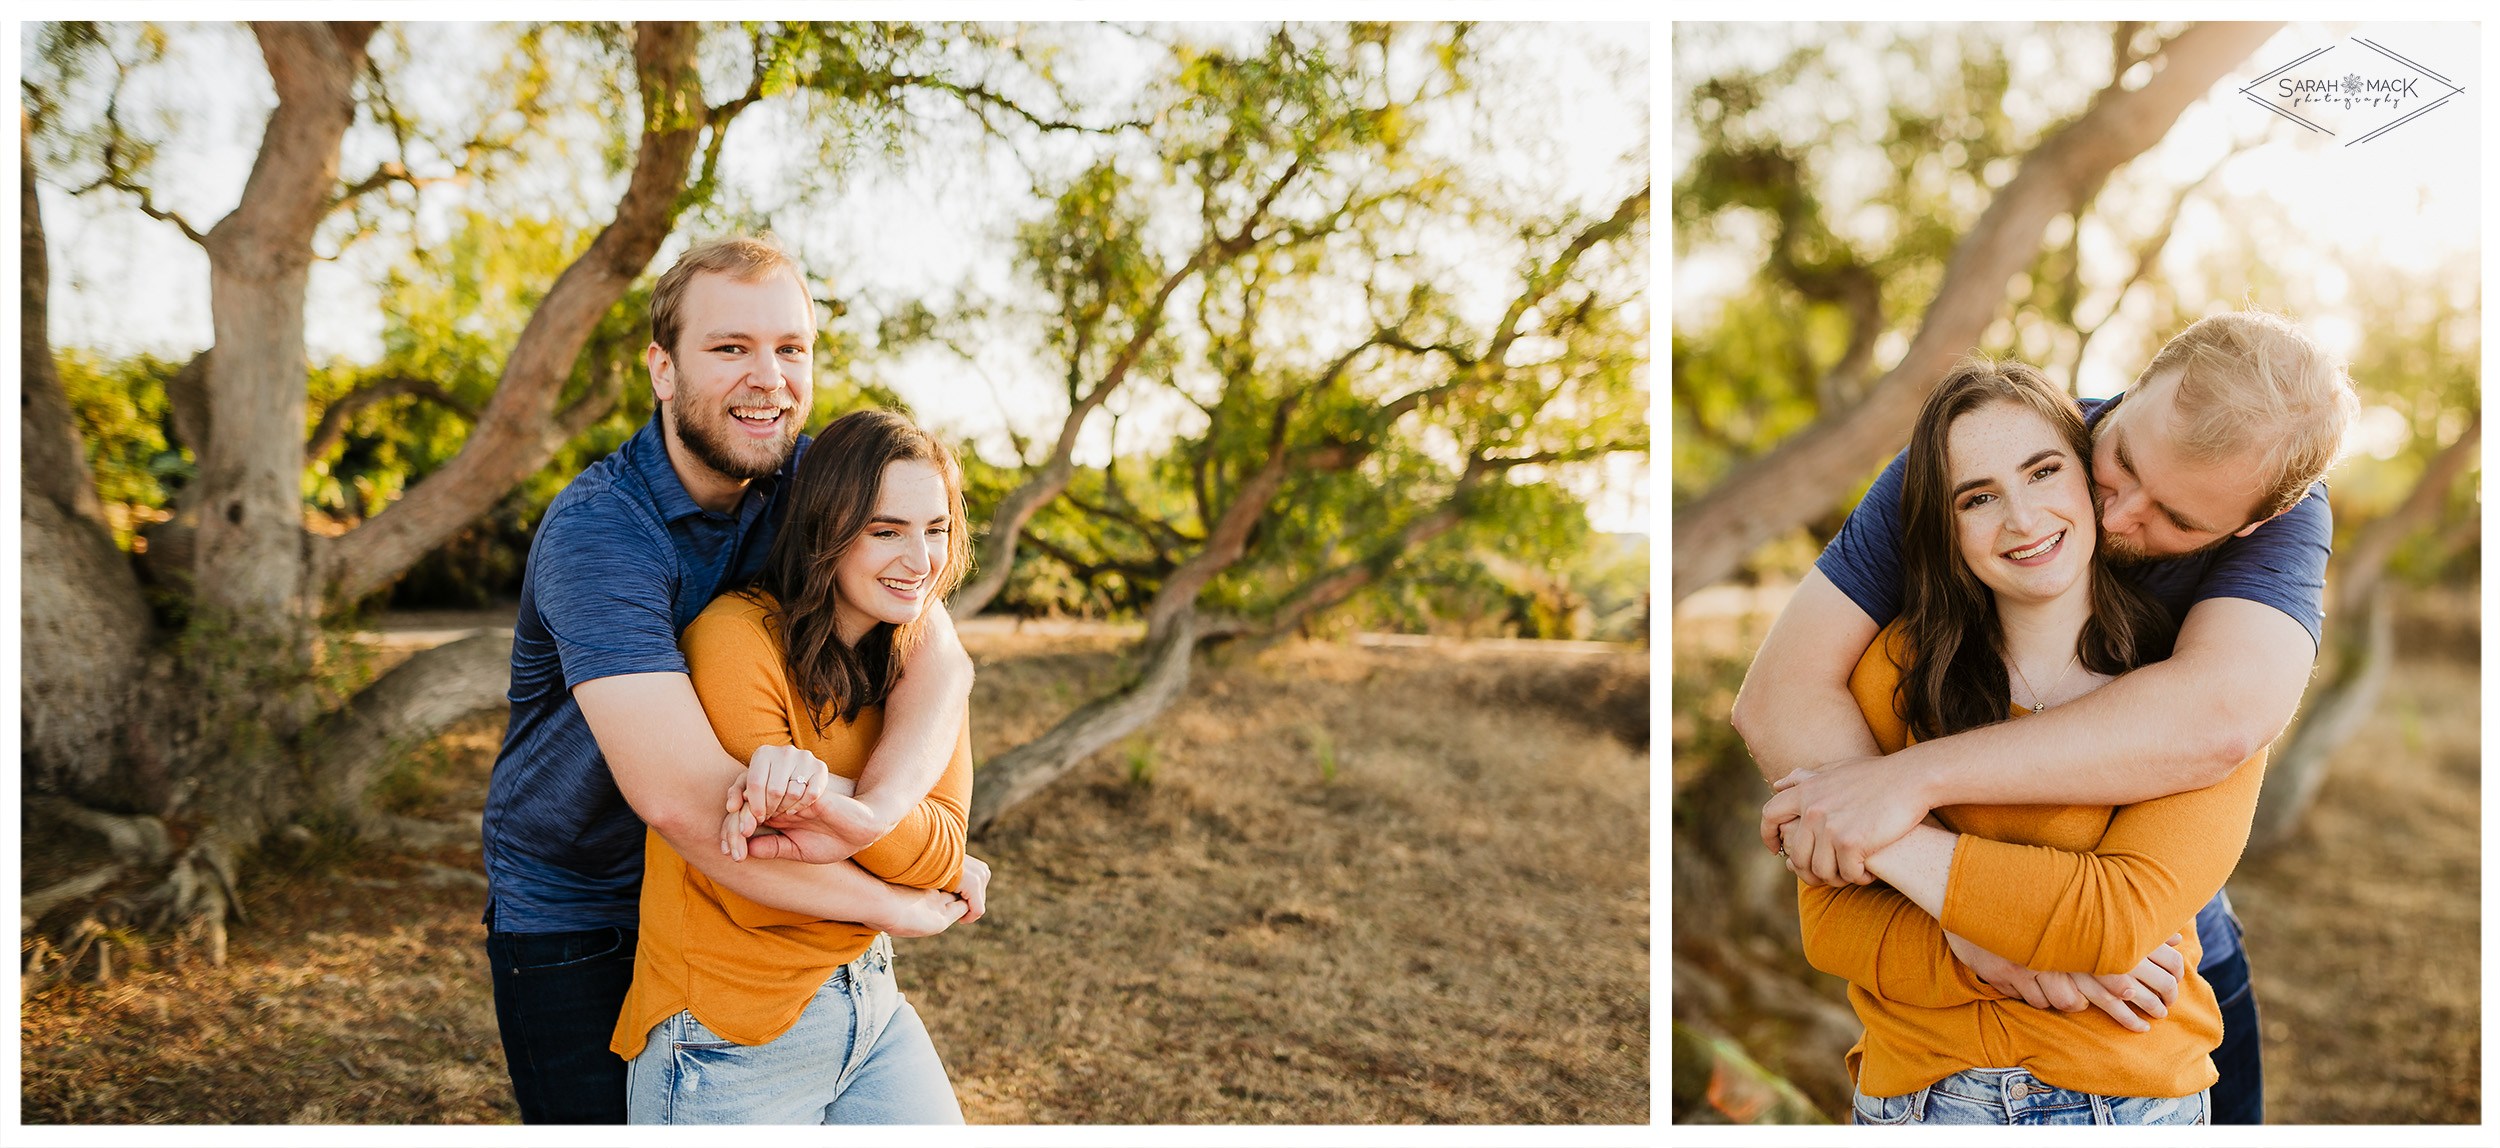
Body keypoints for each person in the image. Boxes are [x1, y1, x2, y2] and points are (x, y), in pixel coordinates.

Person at [1736, 310, 2356, 1124]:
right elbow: (1778, 696)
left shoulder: (2286, 513)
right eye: (2122, 461)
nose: (2122, 511)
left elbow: (2223, 724)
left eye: (2179, 521)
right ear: (2125, 394)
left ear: (2252, 524)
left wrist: (1904, 788)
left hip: (2155, 965)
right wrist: (1971, 931)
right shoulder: (1997, 452)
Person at [481, 235, 978, 1124]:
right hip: (582, 906)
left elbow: (937, 648)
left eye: (791, 349)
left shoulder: (806, 476)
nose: (769, 379)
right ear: (662, 370)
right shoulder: (601, 532)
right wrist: (894, 903)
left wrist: (872, 813)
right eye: (730, 348)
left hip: (734, 902)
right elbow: (693, 808)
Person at [613, 410, 980, 1124]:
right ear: (824, 529)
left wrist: (833, 798)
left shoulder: (918, 658)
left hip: (870, 1007)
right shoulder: (733, 642)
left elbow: (945, 850)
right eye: (885, 530)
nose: (920, 560)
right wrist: (894, 872)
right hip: (723, 1037)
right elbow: (759, 872)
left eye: (935, 529)